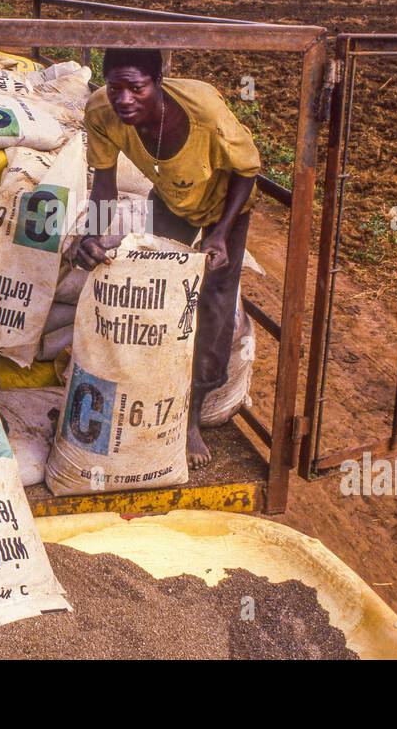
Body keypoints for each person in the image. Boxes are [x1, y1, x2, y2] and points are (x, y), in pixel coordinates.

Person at [74, 48, 260, 469]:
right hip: (172, 200)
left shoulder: (204, 110)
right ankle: (152, 393)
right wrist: (94, 234)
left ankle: (191, 416)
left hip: (225, 207)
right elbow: (103, 184)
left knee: (211, 306)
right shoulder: (102, 112)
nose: (124, 99)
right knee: (160, 292)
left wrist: (220, 234)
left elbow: (248, 171)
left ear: (158, 83)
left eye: (136, 88)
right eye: (115, 87)